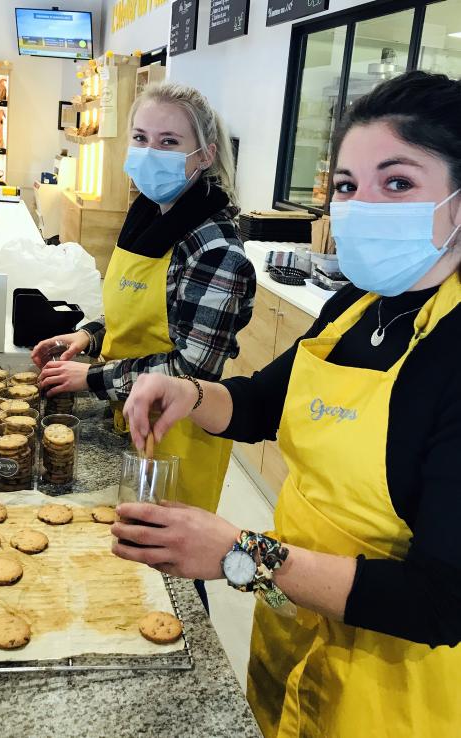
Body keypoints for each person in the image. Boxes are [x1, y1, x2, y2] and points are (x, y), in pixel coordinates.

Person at [112, 71, 461, 738]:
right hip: (291, 628)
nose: (361, 207)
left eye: (398, 182)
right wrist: (189, 391)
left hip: (392, 688)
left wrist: (243, 553)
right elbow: (260, 404)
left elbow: (443, 600)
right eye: (349, 186)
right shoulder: (354, 306)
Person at [32, 82, 255, 523]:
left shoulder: (216, 253)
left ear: (205, 156)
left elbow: (191, 372)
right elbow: (136, 314)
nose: (150, 152)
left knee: (167, 569)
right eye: (141, 138)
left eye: (169, 142)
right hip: (125, 414)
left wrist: (91, 379)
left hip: (173, 438)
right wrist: (89, 335)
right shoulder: (149, 216)